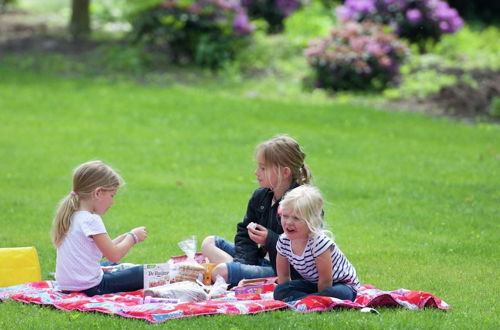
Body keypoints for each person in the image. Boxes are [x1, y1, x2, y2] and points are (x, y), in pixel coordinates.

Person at [201, 135, 312, 286]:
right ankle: (241, 272)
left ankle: (236, 274)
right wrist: (244, 263)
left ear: (285, 172)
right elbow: (244, 233)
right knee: (209, 242)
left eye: (263, 168)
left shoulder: (303, 202)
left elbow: (303, 248)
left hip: (283, 270)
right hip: (258, 261)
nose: (256, 172)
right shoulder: (260, 196)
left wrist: (269, 239)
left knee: (221, 272)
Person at [51, 160, 148, 296]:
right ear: (98, 193)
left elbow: (95, 252)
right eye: (111, 195)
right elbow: (114, 255)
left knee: (112, 266)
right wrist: (133, 237)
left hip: (67, 285)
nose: (112, 201)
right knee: (144, 273)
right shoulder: (91, 219)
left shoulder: (72, 215)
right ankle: (177, 274)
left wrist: (121, 239)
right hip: (92, 287)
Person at [273, 185, 359, 302]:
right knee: (279, 291)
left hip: (342, 284)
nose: (288, 222)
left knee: (330, 294)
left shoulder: (318, 243)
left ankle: (309, 301)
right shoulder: (283, 241)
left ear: (311, 221)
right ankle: (310, 300)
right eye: (285, 216)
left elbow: (325, 281)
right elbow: (283, 277)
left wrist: (321, 296)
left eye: (296, 218)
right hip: (313, 283)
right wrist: (284, 291)